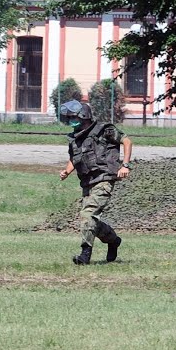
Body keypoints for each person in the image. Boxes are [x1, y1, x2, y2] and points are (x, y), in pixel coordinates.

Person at [58, 99, 133, 265]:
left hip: (104, 179)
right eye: (69, 118)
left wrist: (125, 165)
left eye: (74, 117)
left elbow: (126, 141)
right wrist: (67, 171)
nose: (71, 121)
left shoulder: (104, 130)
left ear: (84, 116)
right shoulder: (75, 138)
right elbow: (74, 159)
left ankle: (85, 255)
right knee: (91, 221)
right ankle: (113, 241)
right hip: (87, 183)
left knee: (87, 215)